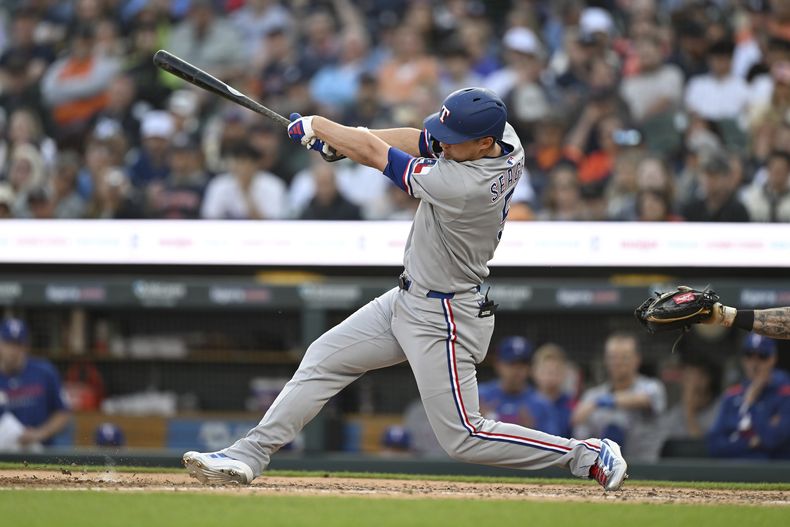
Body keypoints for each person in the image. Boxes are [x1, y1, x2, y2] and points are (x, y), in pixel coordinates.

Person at [182, 87, 628, 491]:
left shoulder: (465, 185)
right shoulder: (500, 134)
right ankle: (248, 454)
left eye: (456, 139)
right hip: (407, 299)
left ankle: (587, 454)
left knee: (464, 438)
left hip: (445, 315)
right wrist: (344, 141)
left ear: (484, 145)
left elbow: (381, 156)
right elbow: (418, 140)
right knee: (324, 357)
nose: (445, 144)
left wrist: (321, 128)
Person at [572, 331, 667, 462]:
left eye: (624, 357)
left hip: (644, 470)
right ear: (606, 360)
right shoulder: (592, 395)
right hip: (602, 471)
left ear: (637, 359)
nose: (618, 362)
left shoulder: (652, 387)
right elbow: (577, 420)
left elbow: (644, 399)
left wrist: (601, 402)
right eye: (613, 357)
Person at [707, 334, 790, 458]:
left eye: (762, 356)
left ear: (773, 359)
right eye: (749, 355)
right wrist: (749, 443)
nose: (755, 363)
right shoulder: (732, 396)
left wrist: (750, 403)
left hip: (774, 472)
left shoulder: (785, 393)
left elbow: (772, 440)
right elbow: (714, 445)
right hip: (734, 471)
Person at [0, 318, 71, 450]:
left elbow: (63, 413)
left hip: (40, 453)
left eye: (18, 344)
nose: (13, 350)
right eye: (8, 343)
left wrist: (40, 433)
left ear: (26, 346)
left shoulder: (45, 372)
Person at [477, 337, 559, 435]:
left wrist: (532, 433)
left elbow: (552, 445)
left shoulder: (541, 404)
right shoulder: (479, 396)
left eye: (522, 364)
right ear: (498, 364)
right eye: (511, 363)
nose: (517, 370)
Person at [532, 343, 576, 438]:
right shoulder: (527, 401)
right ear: (535, 372)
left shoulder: (571, 404)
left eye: (555, 372)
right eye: (546, 371)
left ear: (564, 373)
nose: (550, 377)